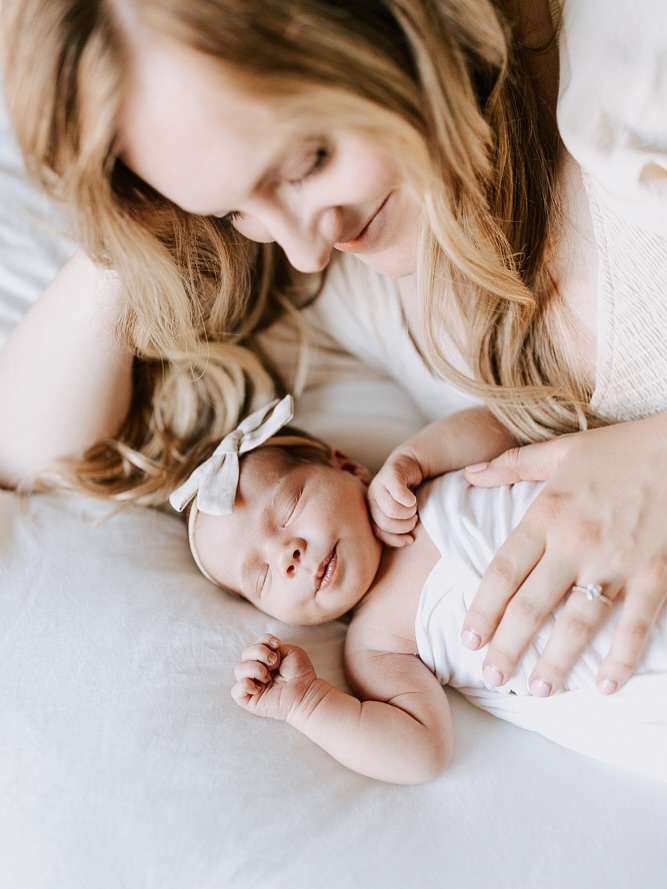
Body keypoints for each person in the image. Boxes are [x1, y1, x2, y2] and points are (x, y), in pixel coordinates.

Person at [1, 0, 666, 702]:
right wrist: (140, 231)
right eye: (232, 209)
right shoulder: (351, 284)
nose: (307, 247)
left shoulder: (628, 77)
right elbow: (30, 454)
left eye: (309, 158)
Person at [170, 396, 667, 785]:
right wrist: (306, 703)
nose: (288, 554)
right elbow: (422, 753)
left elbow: (509, 427)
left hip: (635, 531)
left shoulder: (421, 484)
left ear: (345, 466)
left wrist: (415, 456)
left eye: (290, 507)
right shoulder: (374, 647)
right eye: (261, 575)